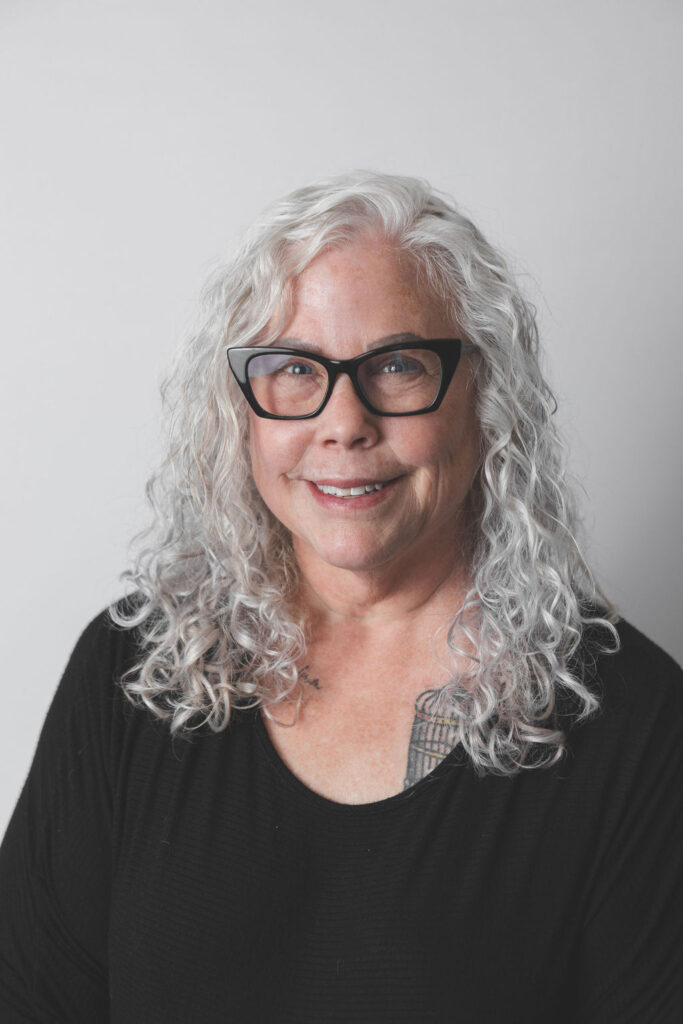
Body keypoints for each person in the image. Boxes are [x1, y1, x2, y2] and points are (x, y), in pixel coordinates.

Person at [1, 171, 681, 1023]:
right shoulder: (131, 673)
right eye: (293, 368)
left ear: (486, 399)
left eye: (396, 365)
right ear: (239, 411)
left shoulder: (636, 724)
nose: (343, 421)